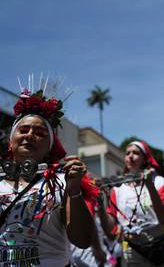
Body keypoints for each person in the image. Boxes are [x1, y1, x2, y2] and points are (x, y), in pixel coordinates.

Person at [0, 88, 96, 266]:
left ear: (50, 146)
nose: (30, 135)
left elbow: (83, 240)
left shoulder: (62, 181)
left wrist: (74, 190)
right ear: (11, 142)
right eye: (24, 130)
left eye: (39, 133)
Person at [98, 140, 164, 267]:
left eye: (135, 153)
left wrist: (150, 186)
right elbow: (110, 232)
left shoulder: (158, 182)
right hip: (132, 249)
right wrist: (100, 205)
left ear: (145, 159)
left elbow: (163, 219)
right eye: (127, 153)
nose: (130, 156)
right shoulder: (117, 190)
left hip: (159, 245)